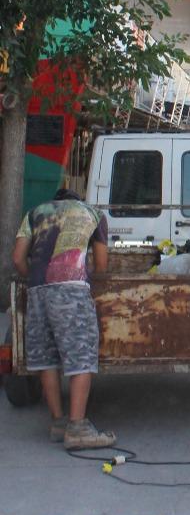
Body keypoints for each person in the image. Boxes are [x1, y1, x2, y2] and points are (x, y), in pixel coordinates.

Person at [12, 188, 115, 450]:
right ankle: (78, 427)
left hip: (37, 290)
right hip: (70, 288)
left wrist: (33, 279)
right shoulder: (93, 214)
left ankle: (58, 422)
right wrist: (87, 274)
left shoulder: (35, 213)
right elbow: (101, 265)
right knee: (81, 354)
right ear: (77, 201)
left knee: (47, 356)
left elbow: (18, 258)